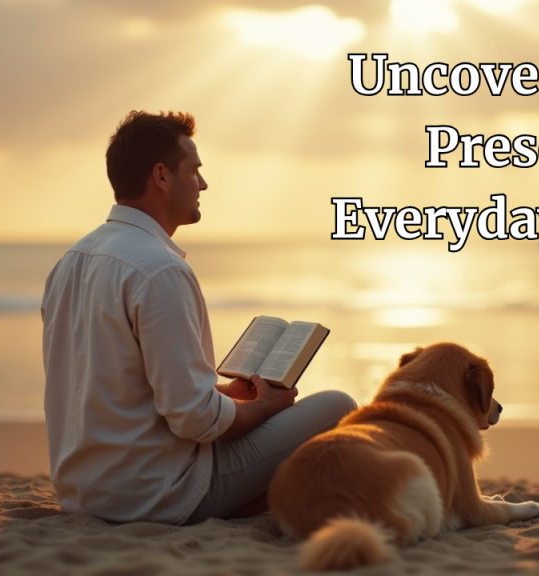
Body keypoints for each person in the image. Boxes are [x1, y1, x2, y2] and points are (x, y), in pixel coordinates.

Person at [41, 111, 356, 525]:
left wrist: (230, 395)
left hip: (82, 494)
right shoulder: (160, 269)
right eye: (195, 171)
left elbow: (124, 391)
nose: (203, 184)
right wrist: (263, 408)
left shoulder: (71, 261)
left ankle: (250, 500)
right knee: (339, 405)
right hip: (156, 495)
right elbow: (196, 420)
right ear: (162, 176)